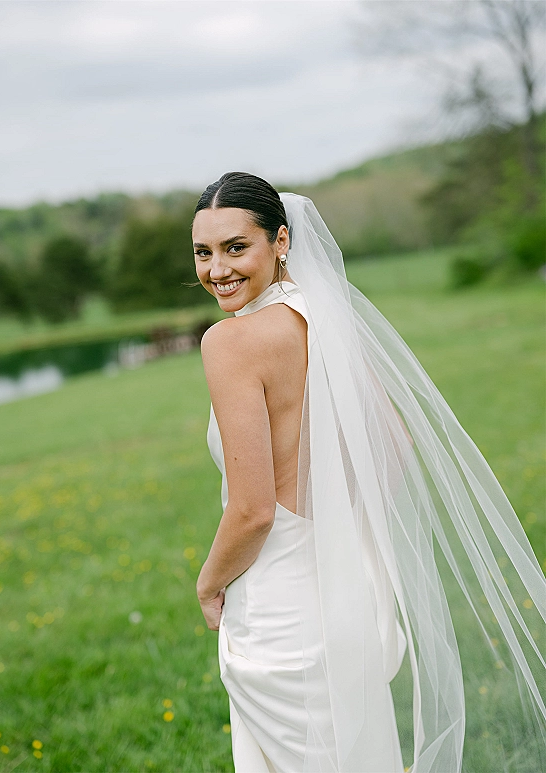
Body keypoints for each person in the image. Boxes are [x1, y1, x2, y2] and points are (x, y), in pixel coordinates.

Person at [192, 172, 545, 773]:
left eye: (235, 247)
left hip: (280, 602)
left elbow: (251, 510)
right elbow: (396, 445)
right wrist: (332, 523)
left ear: (280, 241)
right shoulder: (323, 318)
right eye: (203, 252)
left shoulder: (230, 342)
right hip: (342, 590)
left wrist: (208, 583)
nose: (217, 269)